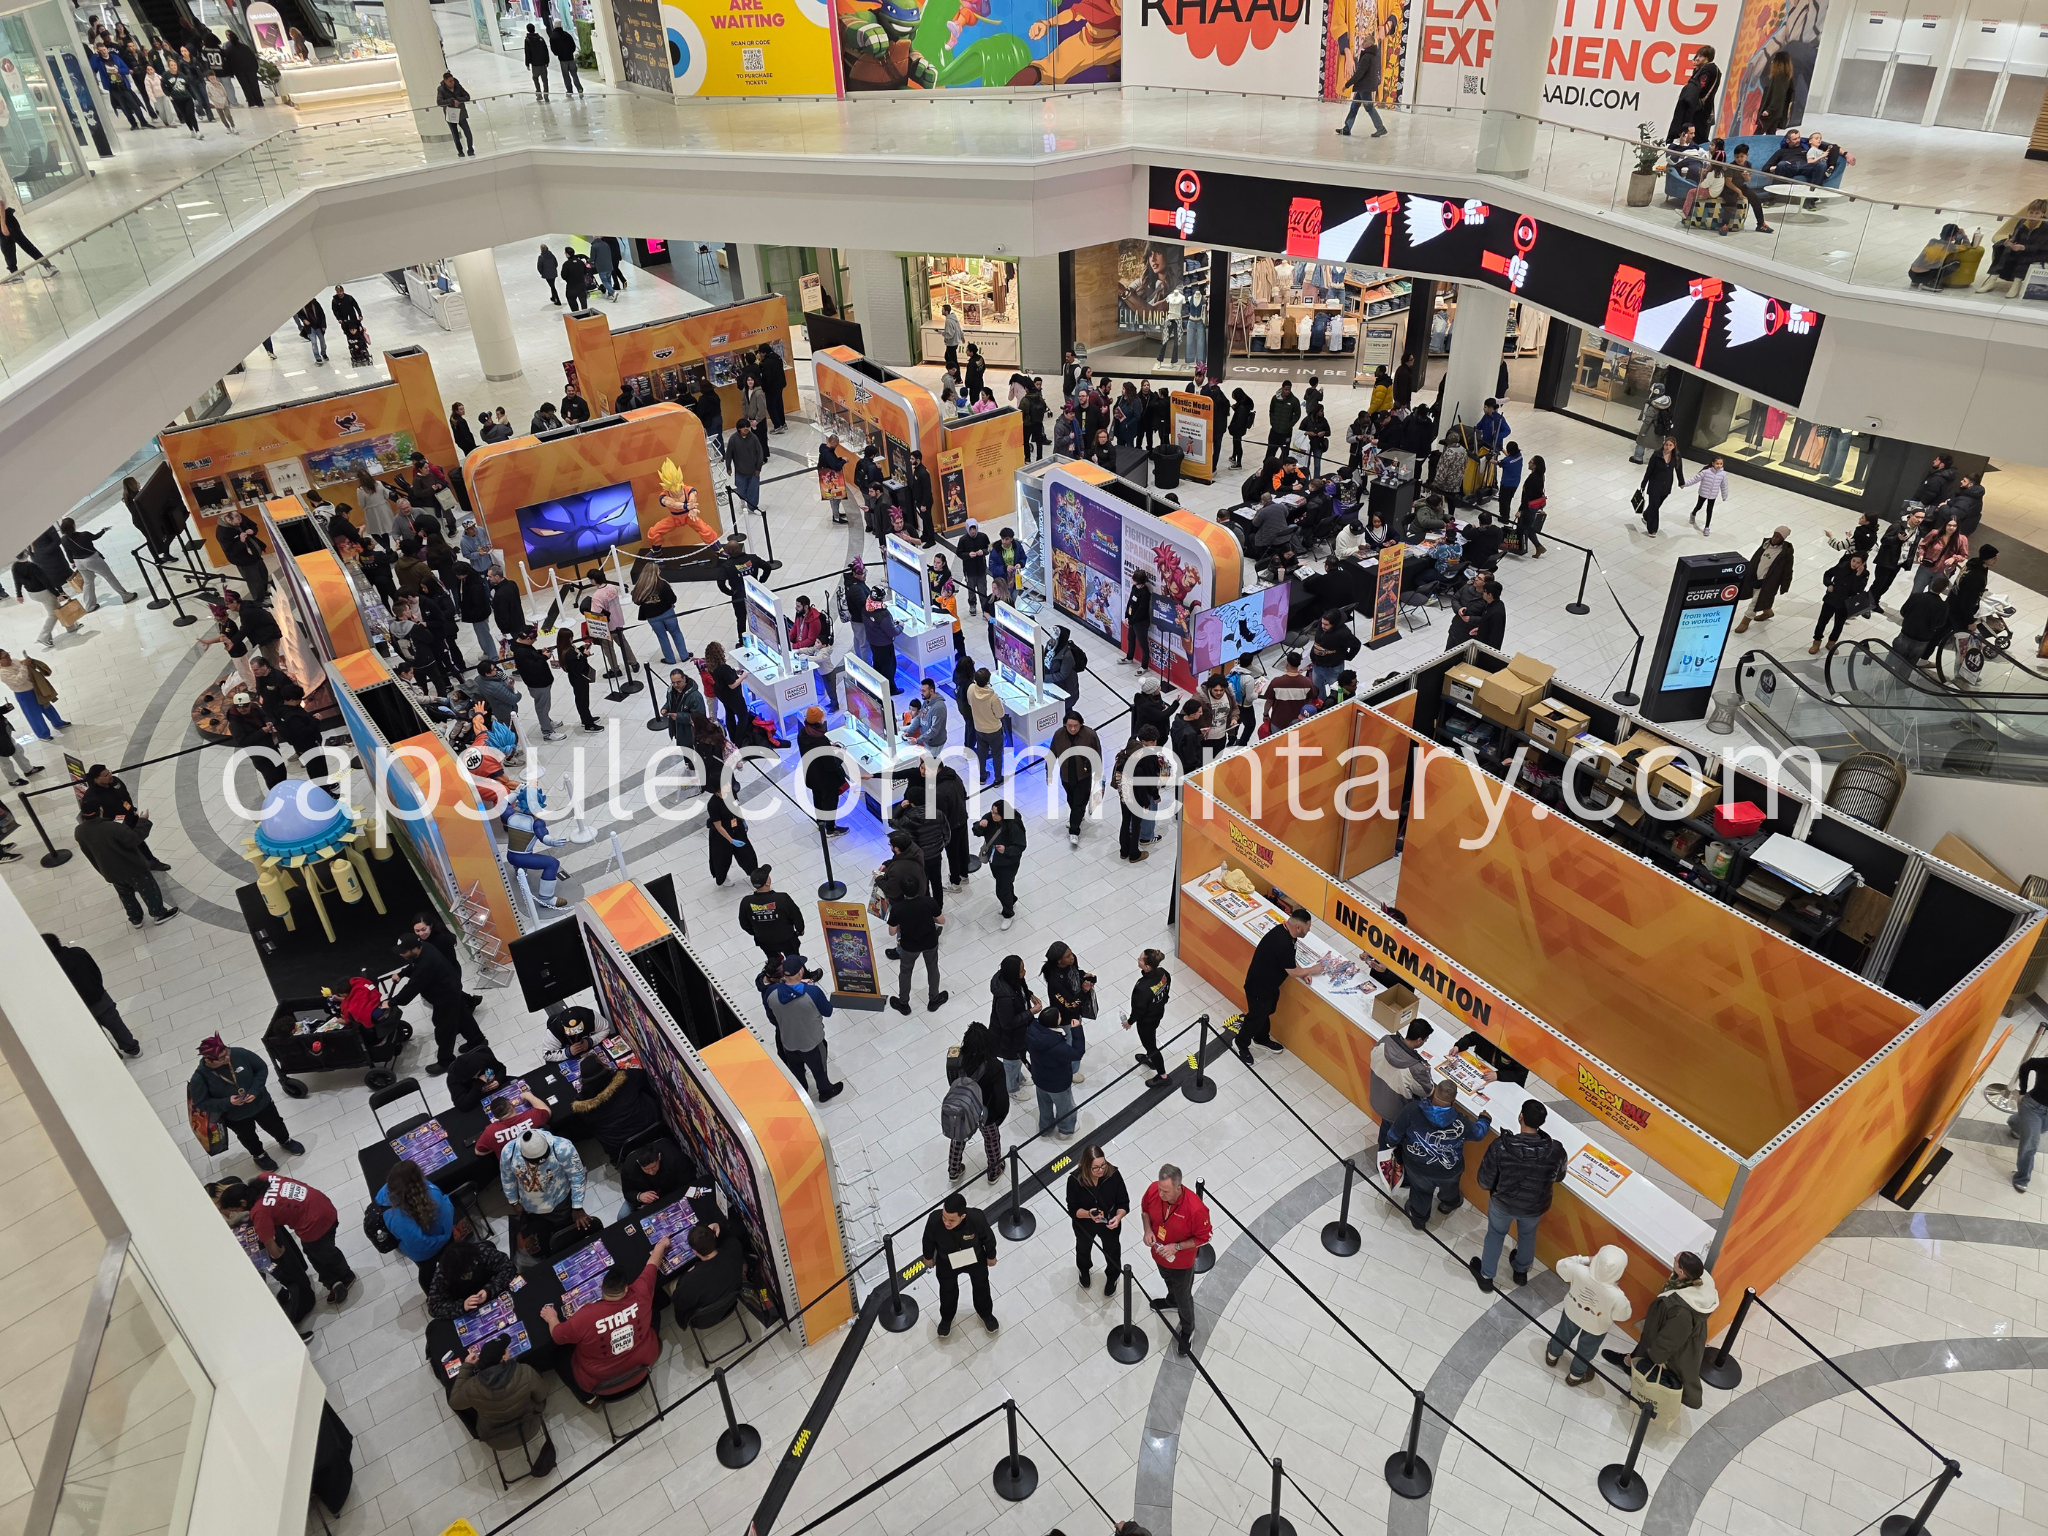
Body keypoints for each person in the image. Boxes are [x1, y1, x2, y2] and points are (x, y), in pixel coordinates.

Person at [542, 1237, 670, 1403]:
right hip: (643, 1364)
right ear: (626, 1288)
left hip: (599, 1381)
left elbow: (558, 1336)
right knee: (655, 1309)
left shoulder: (585, 1316)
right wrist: (662, 1245)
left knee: (558, 1356)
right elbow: (652, 1265)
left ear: (601, 1286)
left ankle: (587, 1398)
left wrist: (552, 1318)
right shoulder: (641, 1292)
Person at [1601, 1252, 1719, 1411]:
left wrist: (1655, 1356)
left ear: (1681, 1272)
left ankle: (1640, 1393)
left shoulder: (1682, 1311)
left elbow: (1670, 1340)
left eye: (1676, 1261)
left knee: (1652, 1367)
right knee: (1643, 1349)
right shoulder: (1691, 1279)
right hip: (1658, 1332)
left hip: (1666, 1346)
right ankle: (1628, 1363)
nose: (1673, 1261)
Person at [1471, 1100, 1566, 1291]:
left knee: (1496, 1235)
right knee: (1528, 1234)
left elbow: (1484, 1180)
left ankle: (1487, 1275)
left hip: (1502, 1203)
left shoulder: (1501, 1146)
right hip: (1535, 1205)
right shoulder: (1555, 1149)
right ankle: (1521, 1272)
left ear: (1520, 1116)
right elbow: (1559, 1176)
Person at [1387, 1081, 1491, 1230]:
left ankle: (1419, 1219)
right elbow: (1479, 1133)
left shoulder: (1412, 1110)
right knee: (1450, 1188)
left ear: (1433, 1091)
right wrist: (1484, 1120)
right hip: (1449, 1170)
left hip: (1417, 1167)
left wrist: (1391, 1144)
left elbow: (1394, 1134)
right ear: (1453, 1100)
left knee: (1420, 1191)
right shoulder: (1461, 1122)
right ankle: (1448, 1204)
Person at [446, 1337, 555, 1473]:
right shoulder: (525, 1371)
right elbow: (542, 1395)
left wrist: (467, 1367)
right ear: (503, 1357)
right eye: (507, 1349)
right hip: (529, 1428)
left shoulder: (472, 1387)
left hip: (495, 1439)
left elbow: (454, 1402)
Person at [1141, 1164, 1209, 1355]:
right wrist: (1147, 1230)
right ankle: (1171, 1301)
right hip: (1159, 1255)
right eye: (1160, 1189)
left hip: (1181, 1263)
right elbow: (1145, 1210)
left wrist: (1176, 1247)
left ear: (1178, 1187)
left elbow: (1205, 1237)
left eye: (1166, 1191)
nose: (1160, 1194)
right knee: (1167, 1279)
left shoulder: (1195, 1209)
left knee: (1184, 1296)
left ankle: (1188, 1328)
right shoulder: (1154, 1190)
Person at [1238, 907, 1321, 1063]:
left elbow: (1289, 960)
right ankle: (1241, 1043)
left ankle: (1261, 1038)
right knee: (1256, 1017)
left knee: (1267, 1011)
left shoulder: (1288, 934)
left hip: (1269, 986)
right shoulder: (1281, 941)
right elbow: (1292, 971)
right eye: (1307, 929)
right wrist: (1312, 970)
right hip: (1258, 987)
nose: (1308, 932)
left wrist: (1303, 972)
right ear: (1298, 927)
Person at [1546, 1246, 1633, 1389]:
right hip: (1596, 1326)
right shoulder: (1617, 1296)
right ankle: (1575, 1376)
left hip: (1572, 1312)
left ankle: (1552, 1355)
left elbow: (1561, 1265)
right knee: (1586, 1350)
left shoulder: (1579, 1271)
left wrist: (1585, 1259)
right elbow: (1623, 1315)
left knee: (1562, 1334)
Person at [75, 806, 177, 927]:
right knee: (148, 889)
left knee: (125, 895)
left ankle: (135, 918)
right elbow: (134, 839)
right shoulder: (111, 827)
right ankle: (159, 913)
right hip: (132, 867)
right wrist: (143, 821)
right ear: (100, 811)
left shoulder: (79, 831)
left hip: (110, 871)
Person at [500, 1125, 592, 1257]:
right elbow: (507, 1178)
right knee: (542, 1242)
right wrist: (514, 1202)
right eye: (536, 1161)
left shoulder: (562, 1146)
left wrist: (577, 1206)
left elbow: (577, 1175)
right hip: (529, 1207)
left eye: (544, 1158)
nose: (541, 1162)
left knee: (567, 1238)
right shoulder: (509, 1152)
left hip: (560, 1203)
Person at [44, 932, 139, 1057]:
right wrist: (97, 986)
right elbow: (95, 970)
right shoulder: (78, 952)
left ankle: (115, 1058)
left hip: (79, 1007)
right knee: (116, 1024)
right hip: (98, 997)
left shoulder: (49, 969)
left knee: (96, 1034)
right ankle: (133, 1049)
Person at [765, 953, 844, 1100]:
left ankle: (802, 1095)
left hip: (788, 1042)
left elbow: (771, 1017)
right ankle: (825, 1092)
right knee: (819, 1069)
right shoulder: (812, 992)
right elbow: (828, 1012)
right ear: (800, 972)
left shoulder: (771, 993)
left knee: (796, 1071)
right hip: (812, 1042)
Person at [376, 1159, 456, 1289]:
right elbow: (418, 1242)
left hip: (440, 1240)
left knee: (451, 1263)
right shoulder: (394, 1214)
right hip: (425, 1252)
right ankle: (432, 1296)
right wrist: (442, 1238)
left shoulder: (420, 1187)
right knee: (428, 1274)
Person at [944, 1022, 1009, 1183]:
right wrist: (999, 1115)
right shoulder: (995, 1066)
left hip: (961, 1108)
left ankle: (954, 1169)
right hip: (986, 1113)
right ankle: (994, 1171)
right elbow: (1000, 1097)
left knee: (958, 1136)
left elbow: (952, 1082)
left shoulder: (955, 1059)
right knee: (991, 1139)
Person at [1069, 1143, 1131, 1294]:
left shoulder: (1113, 1174)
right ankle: (1083, 1270)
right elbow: (1073, 1209)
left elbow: (1124, 1202)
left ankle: (1112, 1277)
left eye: (1103, 1165)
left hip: (1109, 1223)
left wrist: (1118, 1217)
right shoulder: (1075, 1180)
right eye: (1095, 1168)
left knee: (1113, 1251)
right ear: (1085, 1166)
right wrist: (1088, 1214)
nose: (1101, 1170)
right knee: (1083, 1248)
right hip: (1084, 1224)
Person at [668, 1220, 746, 1327]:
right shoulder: (734, 1249)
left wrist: (685, 1277)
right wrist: (719, 1226)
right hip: (729, 1303)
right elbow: (730, 1236)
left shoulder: (690, 1282)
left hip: (702, 1320)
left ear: (694, 1251)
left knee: (671, 1283)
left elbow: (678, 1302)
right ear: (714, 1237)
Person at [1025, 1002, 1085, 1137]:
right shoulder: (1056, 1046)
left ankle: (1045, 1128)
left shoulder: (1032, 1031)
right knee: (1065, 1107)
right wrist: (1077, 1030)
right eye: (1059, 1016)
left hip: (1040, 1079)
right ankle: (1066, 1130)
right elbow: (1077, 1053)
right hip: (1057, 1083)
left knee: (1044, 1105)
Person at [887, 886, 946, 1015]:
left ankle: (903, 1003)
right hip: (930, 942)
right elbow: (942, 921)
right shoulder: (929, 901)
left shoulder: (898, 907)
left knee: (905, 972)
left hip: (909, 946)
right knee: (932, 968)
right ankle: (934, 999)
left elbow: (892, 932)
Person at [1049, 710, 1101, 848]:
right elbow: (1052, 752)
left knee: (1079, 801)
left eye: (1075, 726)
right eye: (1069, 725)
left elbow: (1097, 753)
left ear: (1081, 725)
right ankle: (1077, 817)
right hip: (1066, 775)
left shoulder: (1089, 735)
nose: (1072, 729)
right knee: (1071, 799)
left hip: (1083, 775)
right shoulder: (1059, 734)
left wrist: (1098, 772)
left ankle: (1074, 830)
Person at [1369, 1019, 1434, 1130]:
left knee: (1385, 1130)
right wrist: (1427, 1071)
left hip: (1377, 1098)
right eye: (1425, 1039)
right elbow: (1428, 1091)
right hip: (1396, 1112)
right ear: (1419, 1040)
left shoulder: (1386, 1041)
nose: (1425, 1042)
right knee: (1394, 1137)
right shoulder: (1416, 1069)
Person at [989, 954, 1038, 1095]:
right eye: (1022, 970)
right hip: (1007, 1040)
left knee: (1017, 1061)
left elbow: (1021, 991)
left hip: (1018, 1035)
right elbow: (1008, 1023)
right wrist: (1031, 1012)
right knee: (1012, 1064)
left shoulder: (1014, 981)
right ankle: (1012, 1089)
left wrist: (1029, 995)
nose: (1025, 972)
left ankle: (1018, 1078)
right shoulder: (1005, 998)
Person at [1123, 948, 1172, 1087]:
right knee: (1151, 1041)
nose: (1138, 960)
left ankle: (1163, 1076)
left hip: (1146, 1021)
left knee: (1150, 1046)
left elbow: (1139, 1009)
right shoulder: (1163, 973)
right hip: (1157, 1013)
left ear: (1147, 966)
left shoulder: (1143, 987)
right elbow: (1167, 987)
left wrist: (1129, 1022)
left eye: (1140, 959)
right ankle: (1151, 1061)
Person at [1733, 526, 1795, 632]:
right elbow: (1755, 559)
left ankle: (1745, 622)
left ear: (1783, 539)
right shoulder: (1765, 545)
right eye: (1774, 535)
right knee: (1761, 599)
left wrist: (1784, 586)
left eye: (1778, 537)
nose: (1774, 539)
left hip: (1769, 582)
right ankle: (1768, 612)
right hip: (1755, 578)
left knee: (1755, 602)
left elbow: (1788, 571)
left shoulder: (1786, 554)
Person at [1336, 15, 1388, 136]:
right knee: (1354, 106)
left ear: (1369, 44)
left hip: (1364, 87)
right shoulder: (1373, 55)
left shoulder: (1367, 57)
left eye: (1364, 41)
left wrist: (1347, 85)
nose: (1362, 43)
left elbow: (1359, 74)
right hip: (1364, 87)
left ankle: (1380, 128)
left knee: (1369, 108)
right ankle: (1347, 127)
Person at [1809, 551, 1868, 654]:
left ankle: (1831, 642)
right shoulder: (1842, 566)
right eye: (1853, 561)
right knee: (1822, 621)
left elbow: (1858, 590)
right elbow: (1828, 574)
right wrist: (1829, 584)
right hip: (1831, 599)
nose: (1854, 564)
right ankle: (1816, 641)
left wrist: (1858, 575)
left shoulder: (1864, 574)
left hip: (1845, 603)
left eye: (1858, 562)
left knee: (1838, 624)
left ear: (1863, 564)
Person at [705, 786, 759, 886]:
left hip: (736, 827)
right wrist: (731, 840)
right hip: (721, 834)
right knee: (722, 858)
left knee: (747, 853)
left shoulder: (731, 793)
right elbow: (718, 826)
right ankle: (722, 877)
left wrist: (742, 820)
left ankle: (754, 874)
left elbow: (736, 807)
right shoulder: (713, 804)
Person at [1633, 436, 1682, 536]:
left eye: (1670, 445)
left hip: (1666, 486)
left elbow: (1679, 469)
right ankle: (1652, 529)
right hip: (1654, 484)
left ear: (1674, 446)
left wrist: (1681, 482)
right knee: (1655, 506)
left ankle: (1646, 515)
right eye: (1666, 445)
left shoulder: (1676, 456)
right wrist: (1643, 484)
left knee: (1656, 505)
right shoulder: (1656, 455)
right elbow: (1649, 470)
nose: (1667, 447)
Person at [437, 72, 474, 156]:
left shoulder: (458, 86)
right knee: (455, 134)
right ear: (445, 81)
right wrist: (451, 101)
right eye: (450, 81)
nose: (452, 82)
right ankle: (460, 152)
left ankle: (470, 149)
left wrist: (458, 99)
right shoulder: (441, 89)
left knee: (467, 132)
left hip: (461, 113)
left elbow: (467, 97)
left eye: (453, 80)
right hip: (451, 115)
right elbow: (439, 102)